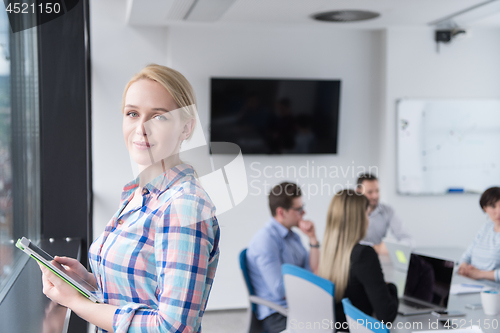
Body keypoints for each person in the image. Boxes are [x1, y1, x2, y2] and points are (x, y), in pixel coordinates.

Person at [37, 64, 220, 332]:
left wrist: (76, 302)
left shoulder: (184, 206)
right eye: (132, 113)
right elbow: (137, 293)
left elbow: (172, 327)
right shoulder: (139, 193)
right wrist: (87, 281)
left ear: (186, 128)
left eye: (159, 117)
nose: (141, 128)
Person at [246, 182, 319, 333]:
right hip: (278, 314)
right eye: (298, 209)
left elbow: (312, 270)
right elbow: (280, 291)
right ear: (281, 212)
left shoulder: (293, 236)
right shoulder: (265, 240)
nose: (303, 213)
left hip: (299, 306)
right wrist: (310, 284)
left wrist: (313, 239)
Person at [318, 189, 398, 325]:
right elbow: (386, 315)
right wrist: (391, 288)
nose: (368, 221)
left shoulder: (329, 252)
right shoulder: (364, 255)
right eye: (366, 215)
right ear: (357, 220)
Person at [356, 173, 413, 254]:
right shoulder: (350, 212)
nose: (375, 196)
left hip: (380, 259)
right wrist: (376, 248)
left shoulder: (387, 210)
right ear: (358, 191)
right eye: (370, 192)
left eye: (377, 191)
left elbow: (408, 240)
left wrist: (394, 247)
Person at [458, 187, 500, 282]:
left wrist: (480, 274)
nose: (498, 212)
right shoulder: (486, 227)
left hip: (493, 290)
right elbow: (468, 254)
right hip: (472, 283)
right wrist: (463, 266)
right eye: (493, 206)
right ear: (485, 208)